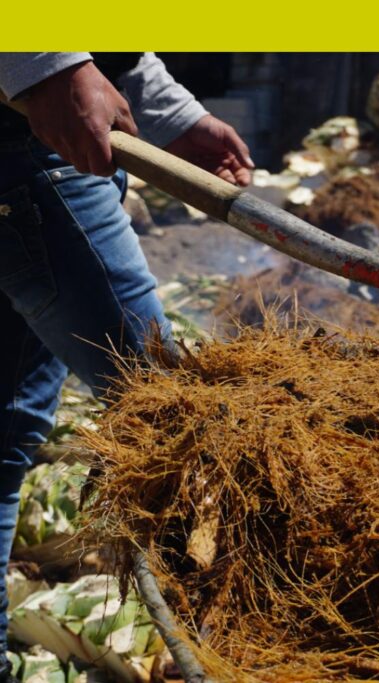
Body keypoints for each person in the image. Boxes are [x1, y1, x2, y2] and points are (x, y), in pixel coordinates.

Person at [0, 52, 253, 679]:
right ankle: (239, 657)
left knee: (6, 435)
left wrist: (172, 114)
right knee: (182, 430)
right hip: (31, 150)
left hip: (42, 133)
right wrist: (47, 66)